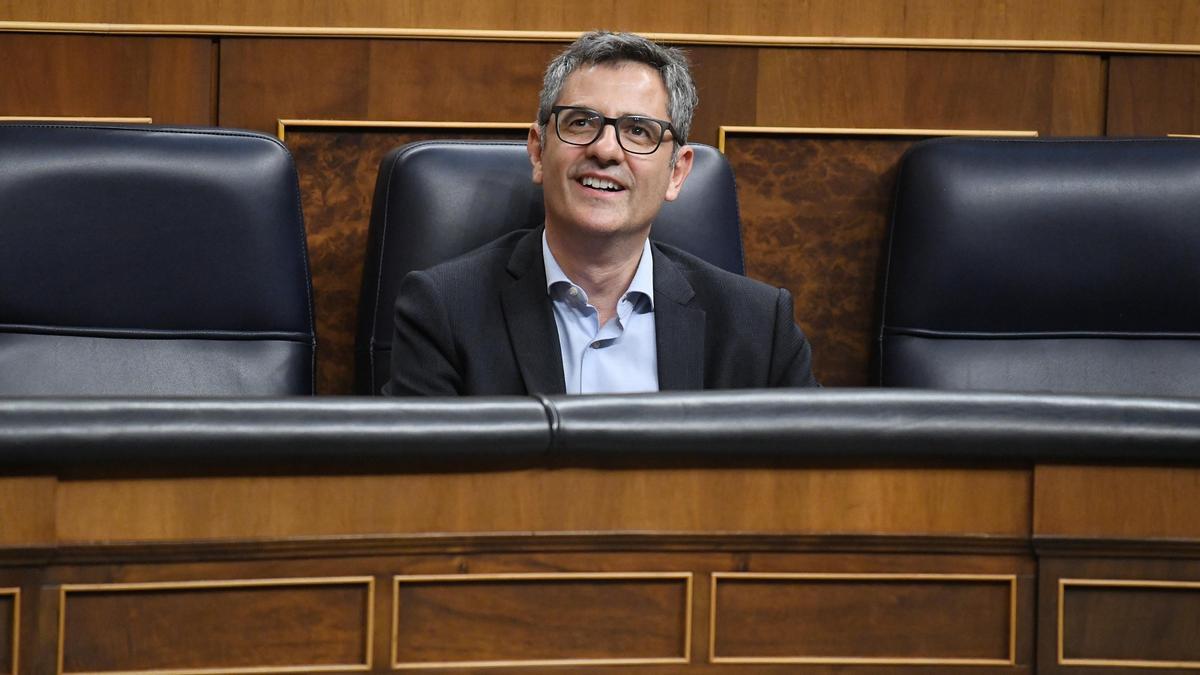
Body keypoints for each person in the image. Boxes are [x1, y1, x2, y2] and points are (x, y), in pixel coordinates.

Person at [384, 31, 817, 395]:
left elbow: (810, 486)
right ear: (537, 151)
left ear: (676, 172)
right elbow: (423, 490)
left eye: (638, 131)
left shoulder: (759, 326)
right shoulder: (443, 310)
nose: (605, 149)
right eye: (580, 122)